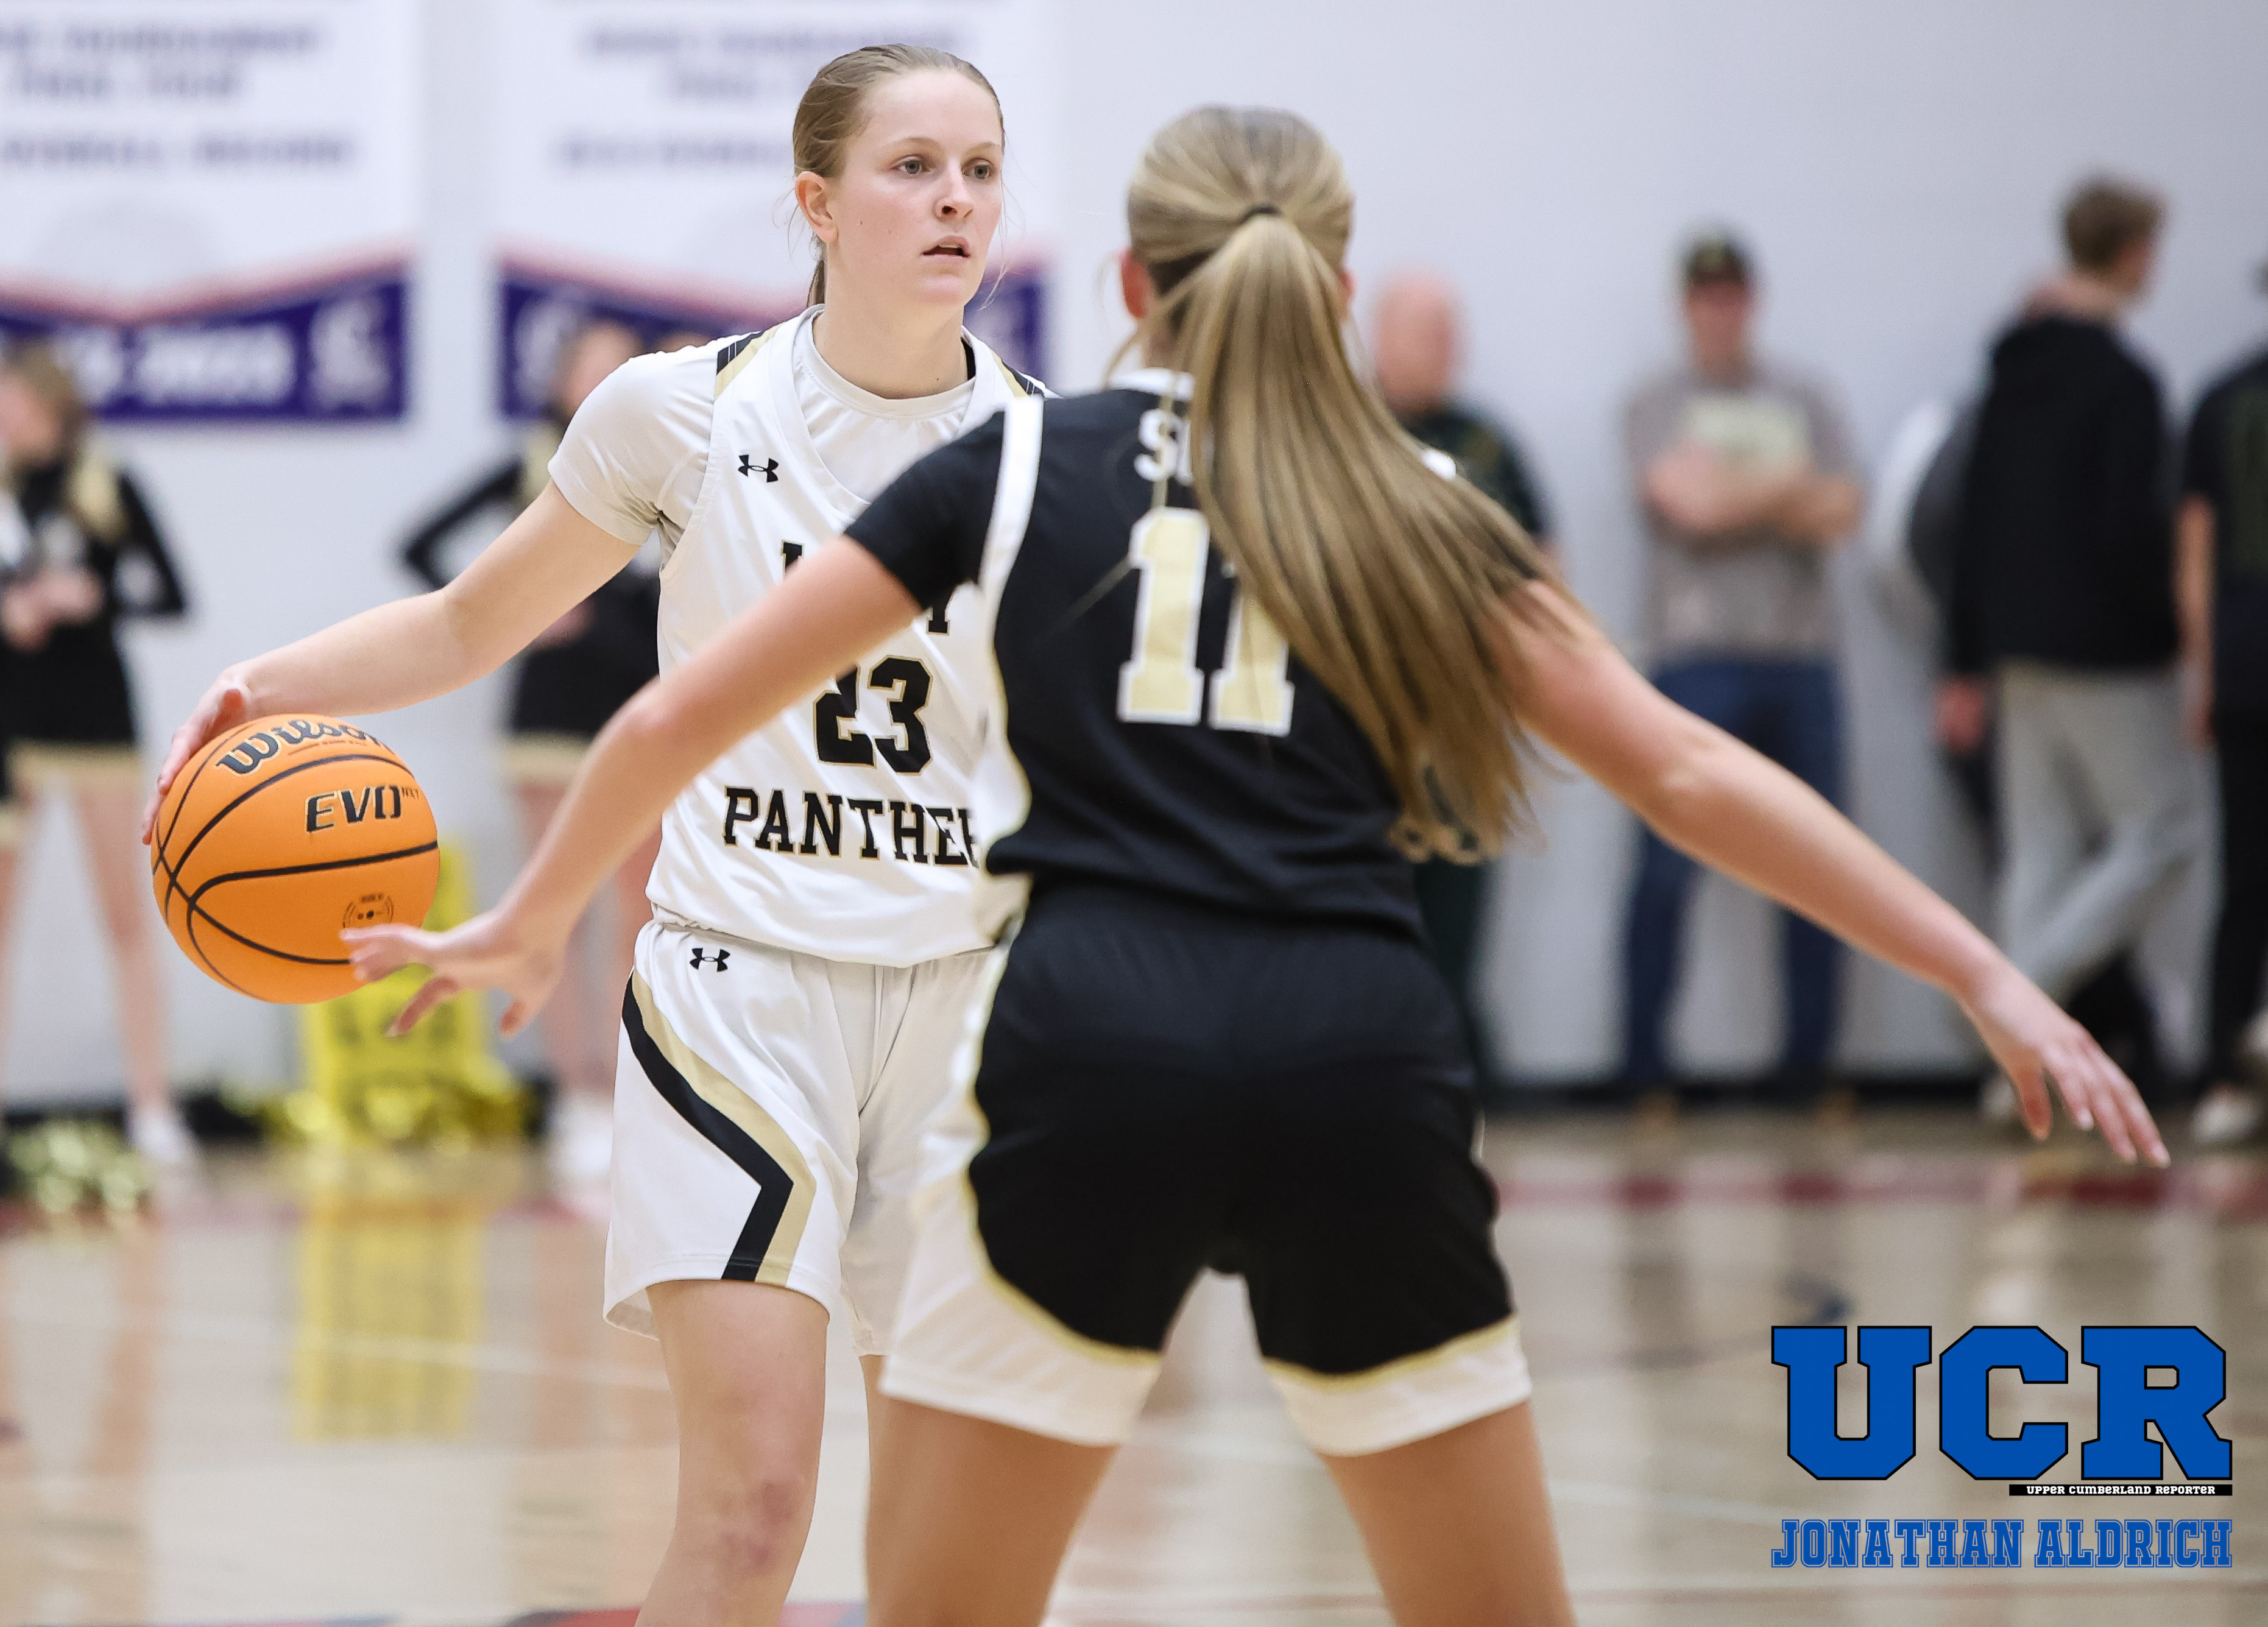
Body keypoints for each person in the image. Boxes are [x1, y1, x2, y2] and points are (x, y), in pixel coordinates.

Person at [342, 106, 2163, 1627]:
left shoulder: (1011, 461)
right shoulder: (1422, 498)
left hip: (1085, 1046)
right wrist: (1982, 971)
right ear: (1340, 290)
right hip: (1355, 1046)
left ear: (1132, 287)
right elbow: (1685, 768)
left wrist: (530, 918)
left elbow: (665, 718)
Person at [144, 44, 1042, 1621]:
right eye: (911, 167)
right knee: (751, 1512)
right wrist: (259, 685)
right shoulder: (683, 410)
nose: (953, 200)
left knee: (955, 1545)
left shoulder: (1053, 449)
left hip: (970, 1012)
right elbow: (467, 620)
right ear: (817, 202)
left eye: (978, 169)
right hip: (740, 994)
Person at [1938, 178, 2202, 1126]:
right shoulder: (2125, 382)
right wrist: (2171, 636)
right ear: (2132, 255)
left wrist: (1964, 655)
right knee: (2164, 832)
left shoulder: (2011, 372)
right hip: (2105, 650)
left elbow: (1972, 523)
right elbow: (2131, 530)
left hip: (2017, 649)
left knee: (2041, 855)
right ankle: (2013, 999)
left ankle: (2017, 1076)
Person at [398, 316, 657, 1182]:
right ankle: (573, 1095)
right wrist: (517, 614)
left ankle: (630, 1093)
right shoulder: (531, 465)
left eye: (617, 367)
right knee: (559, 908)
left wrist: (613, 621)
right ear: (558, 379)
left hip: (640, 708)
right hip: (547, 715)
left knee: (638, 913)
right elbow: (419, 543)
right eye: (587, 366)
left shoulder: (661, 458)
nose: (599, 380)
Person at [1619, 235, 1863, 1115]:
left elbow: (1843, 507)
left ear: (1750, 301)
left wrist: (1735, 490)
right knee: (1666, 868)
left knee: (1818, 866)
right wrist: (1787, 486)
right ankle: (1646, 1067)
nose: (1720, 312)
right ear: (1685, 306)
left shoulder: (1803, 395)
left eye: (1732, 295)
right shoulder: (1657, 402)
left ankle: (1809, 1066)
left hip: (1799, 658)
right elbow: (1685, 505)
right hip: (1697, 659)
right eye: (1706, 296)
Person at [0, 340, 191, 1164]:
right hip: (14, 724)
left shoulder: (107, 484)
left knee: (127, 917)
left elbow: (173, 594)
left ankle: (152, 1108)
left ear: (52, 404)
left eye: (15, 403)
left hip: (97, 722)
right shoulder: (5, 491)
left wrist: (93, 597)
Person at [1371, 272, 1552, 1084]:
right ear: (1379, 335)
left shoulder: (1487, 446)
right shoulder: (1341, 429)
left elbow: (1542, 566)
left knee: (1459, 906)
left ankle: (1454, 1065)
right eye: (1426, 332)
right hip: (1367, 718)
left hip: (1462, 719)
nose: (1444, 349)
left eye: (1451, 333)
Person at [2177, 261, 2268, 1146]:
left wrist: (2205, 674)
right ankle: (2228, 1068)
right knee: (2244, 877)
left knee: (2244, 878)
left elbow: (2194, 557)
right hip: (2247, 662)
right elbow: (2196, 545)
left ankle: (2223, 1078)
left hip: (2242, 662)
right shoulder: (2224, 402)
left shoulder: (2221, 396)